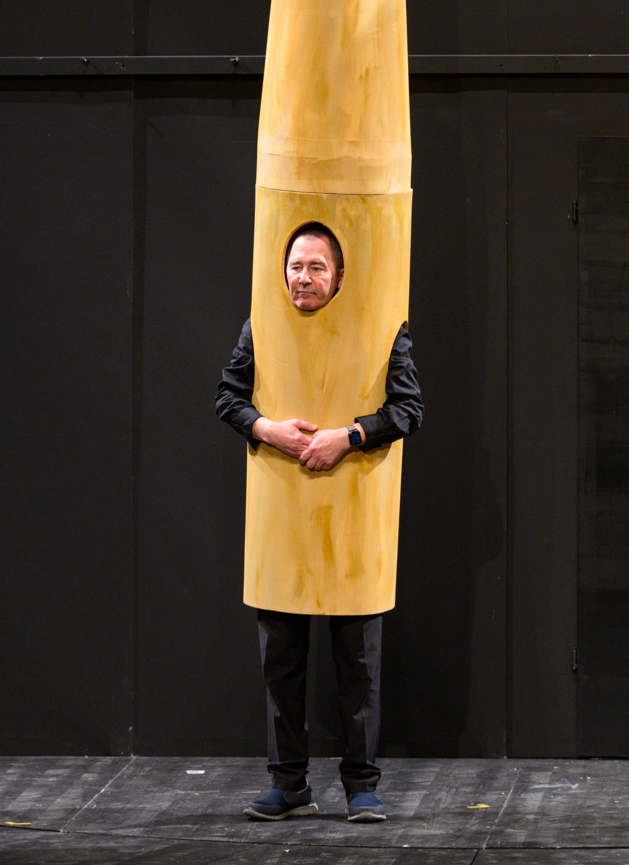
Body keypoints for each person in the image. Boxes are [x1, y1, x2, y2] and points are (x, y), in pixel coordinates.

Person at [215, 221, 423, 824]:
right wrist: (267, 428)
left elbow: (408, 408)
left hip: (352, 512)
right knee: (281, 659)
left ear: (338, 276)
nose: (303, 279)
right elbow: (228, 396)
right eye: (295, 267)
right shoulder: (262, 326)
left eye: (316, 268)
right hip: (284, 513)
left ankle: (361, 784)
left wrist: (349, 436)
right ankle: (289, 784)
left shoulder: (384, 331)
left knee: (357, 661)